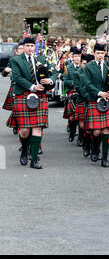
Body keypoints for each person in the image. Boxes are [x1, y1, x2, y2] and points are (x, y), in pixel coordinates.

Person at [9, 37, 57, 169]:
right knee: (24, 130)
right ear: (23, 47)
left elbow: (54, 72)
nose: (30, 48)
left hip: (40, 96)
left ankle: (34, 159)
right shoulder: (16, 60)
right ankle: (24, 149)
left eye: (32, 45)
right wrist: (32, 87)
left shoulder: (41, 59)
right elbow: (17, 77)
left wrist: (50, 80)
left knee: (37, 128)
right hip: (24, 95)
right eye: (28, 45)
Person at [80, 43, 109, 167]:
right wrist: (100, 93)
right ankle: (94, 150)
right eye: (98, 53)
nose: (100, 56)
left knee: (106, 130)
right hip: (95, 99)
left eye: (102, 53)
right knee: (97, 132)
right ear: (94, 53)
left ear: (105, 53)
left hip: (108, 101)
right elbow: (87, 83)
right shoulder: (88, 67)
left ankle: (104, 158)